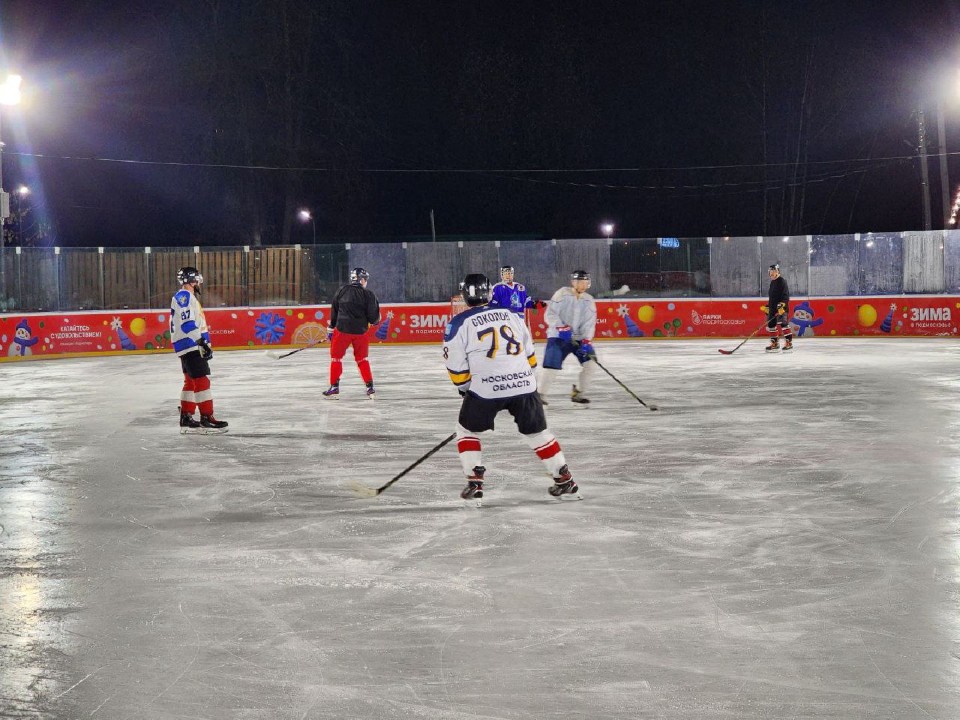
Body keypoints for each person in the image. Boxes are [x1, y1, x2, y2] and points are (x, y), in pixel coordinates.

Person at [443, 273, 580, 504]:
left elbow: (456, 367)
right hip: (524, 384)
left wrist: (465, 388)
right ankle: (564, 479)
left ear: (465, 295)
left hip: (486, 389)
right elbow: (530, 355)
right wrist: (525, 380)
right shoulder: (511, 315)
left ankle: (475, 481)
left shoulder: (458, 323)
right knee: (538, 433)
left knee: (466, 430)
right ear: (489, 293)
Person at [170, 266, 228, 433]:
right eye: (196, 279)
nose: (198, 282)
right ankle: (206, 417)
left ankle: (186, 416)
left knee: (190, 381)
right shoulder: (185, 296)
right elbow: (187, 323)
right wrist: (201, 342)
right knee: (202, 381)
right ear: (191, 281)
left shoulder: (185, 296)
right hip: (190, 344)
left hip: (187, 344)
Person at [538, 270, 598, 405]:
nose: (584, 285)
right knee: (551, 366)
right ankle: (540, 395)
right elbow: (550, 314)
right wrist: (560, 327)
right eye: (581, 282)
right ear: (573, 282)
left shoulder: (589, 300)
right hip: (558, 337)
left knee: (591, 364)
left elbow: (589, 323)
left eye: (586, 282)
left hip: (579, 339)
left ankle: (578, 393)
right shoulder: (562, 294)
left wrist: (586, 340)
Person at [323, 267, 381, 399]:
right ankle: (370, 386)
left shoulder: (342, 291)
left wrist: (331, 329)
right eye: (365, 279)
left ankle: (334, 386)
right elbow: (374, 319)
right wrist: (375, 320)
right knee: (362, 359)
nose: (366, 281)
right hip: (360, 332)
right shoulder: (369, 294)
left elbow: (334, 311)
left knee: (336, 358)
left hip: (342, 331)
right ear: (361, 280)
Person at [765, 263, 793, 352]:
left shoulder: (782, 281)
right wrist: (768, 306)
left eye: (773, 271)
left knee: (783, 324)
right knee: (771, 325)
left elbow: (786, 296)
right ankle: (775, 343)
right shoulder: (772, 283)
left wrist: (782, 304)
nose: (772, 273)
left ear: (777, 272)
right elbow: (772, 297)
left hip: (781, 308)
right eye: (770, 271)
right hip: (773, 308)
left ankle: (789, 343)